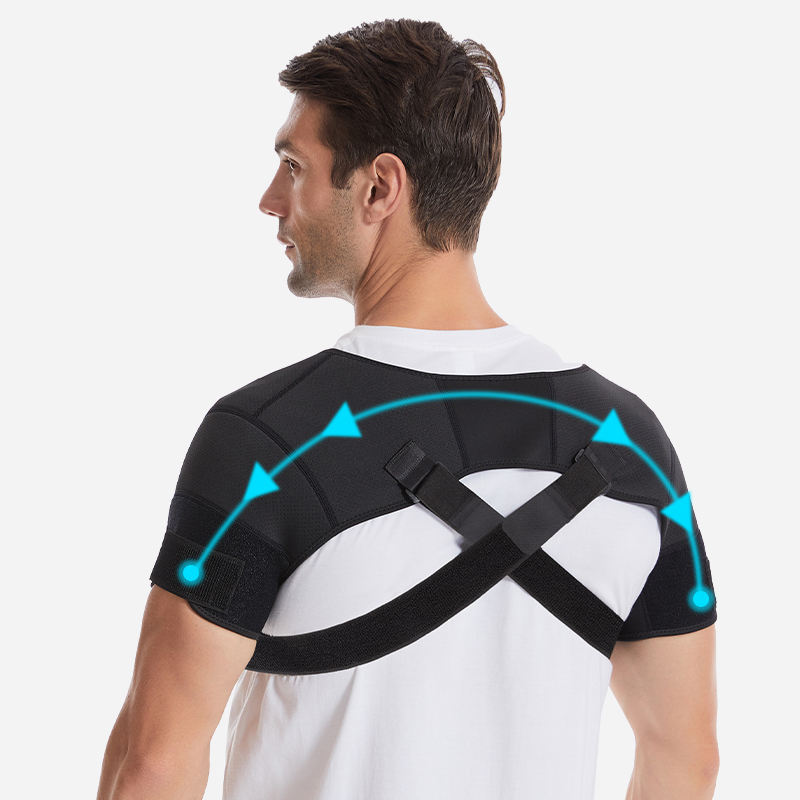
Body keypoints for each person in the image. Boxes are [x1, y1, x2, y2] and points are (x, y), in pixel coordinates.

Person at [97, 18, 718, 800]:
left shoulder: (268, 441)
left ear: (379, 188)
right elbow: (687, 757)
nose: (269, 200)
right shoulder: (634, 443)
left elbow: (154, 761)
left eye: (294, 166)